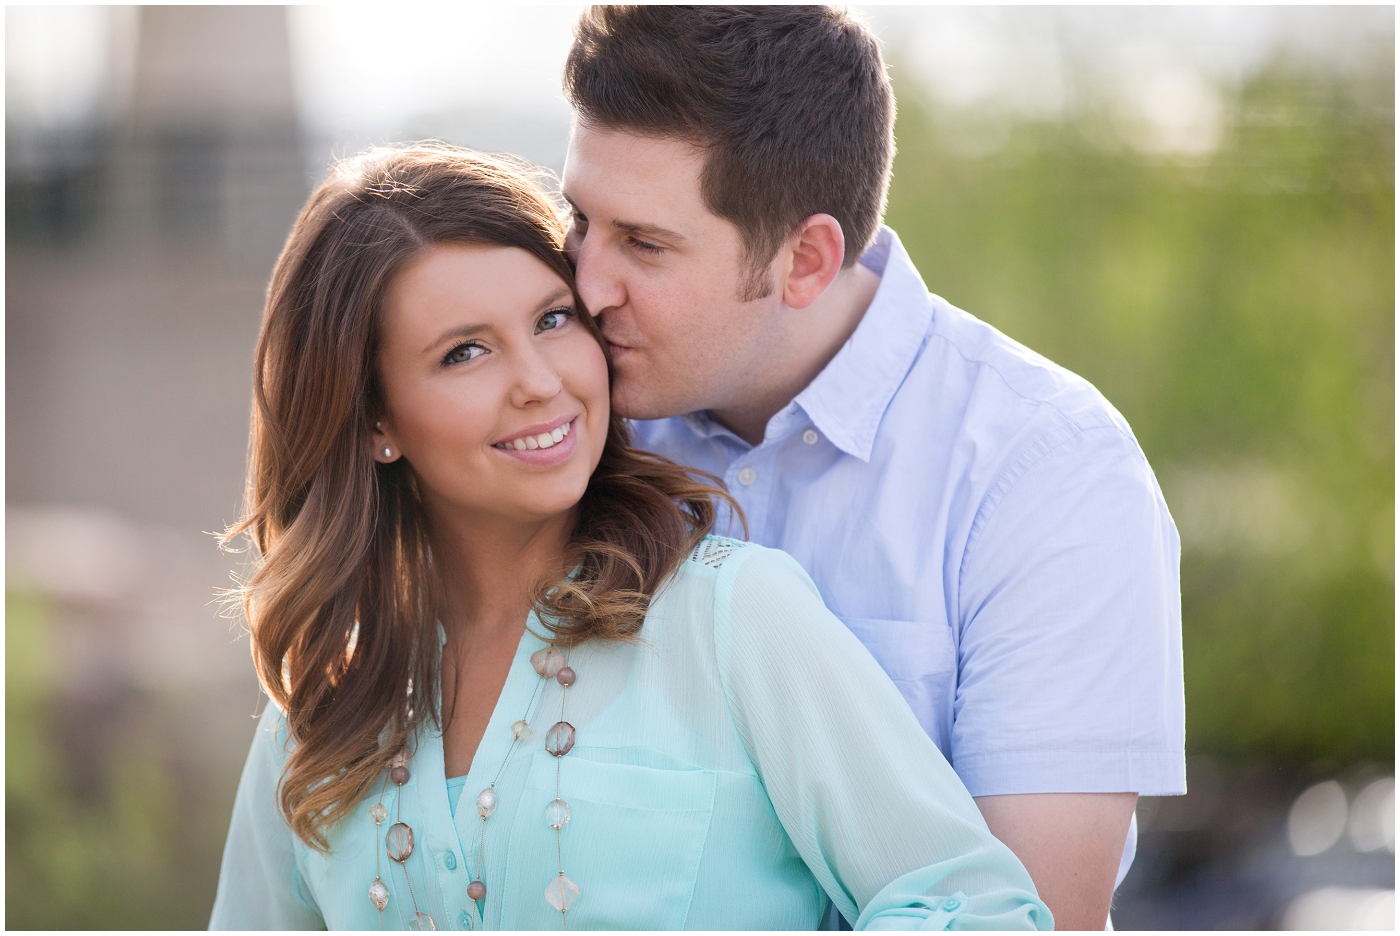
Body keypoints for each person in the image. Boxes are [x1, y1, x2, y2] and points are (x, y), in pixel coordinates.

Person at [207, 145, 1051, 931]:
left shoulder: (731, 616)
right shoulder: (316, 714)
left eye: (552, 320)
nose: (539, 384)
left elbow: (976, 908)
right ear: (374, 419)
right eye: (465, 353)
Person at [559, 7, 1185, 929]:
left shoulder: (1049, 476)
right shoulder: (567, 431)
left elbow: (1031, 914)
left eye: (644, 244)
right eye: (580, 220)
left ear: (806, 259)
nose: (585, 283)